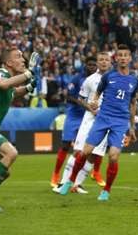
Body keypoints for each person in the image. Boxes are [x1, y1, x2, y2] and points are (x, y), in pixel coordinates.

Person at [59, 45, 138, 201]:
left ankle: (106, 191)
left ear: (130, 59)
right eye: (120, 55)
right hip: (103, 118)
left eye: (126, 55)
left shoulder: (134, 81)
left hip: (120, 121)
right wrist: (94, 102)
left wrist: (132, 128)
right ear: (116, 58)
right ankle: (70, 181)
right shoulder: (108, 77)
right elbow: (97, 92)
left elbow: (133, 103)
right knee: (85, 151)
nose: (123, 58)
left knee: (113, 156)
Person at [0, 49, 39, 214]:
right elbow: (3, 84)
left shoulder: (9, 80)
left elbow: (13, 92)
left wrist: (28, 87)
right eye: (18, 57)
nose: (23, 60)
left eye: (23, 57)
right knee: (11, 153)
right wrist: (28, 74)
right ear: (8, 63)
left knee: (4, 171)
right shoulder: (0, 74)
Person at [53, 52, 112, 194]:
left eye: (106, 60)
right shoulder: (90, 80)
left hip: (105, 120)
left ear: (110, 62)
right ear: (98, 63)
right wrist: (91, 109)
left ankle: (76, 184)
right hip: (89, 119)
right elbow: (81, 98)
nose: (103, 62)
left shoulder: (114, 79)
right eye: (101, 60)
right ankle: (63, 183)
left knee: (94, 154)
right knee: (79, 151)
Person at [50, 56, 97, 187]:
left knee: (88, 148)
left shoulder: (98, 80)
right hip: (74, 115)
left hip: (87, 117)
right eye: (90, 65)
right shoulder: (77, 78)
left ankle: (80, 180)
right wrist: (82, 103)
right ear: (85, 65)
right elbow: (68, 96)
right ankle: (56, 174)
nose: (92, 67)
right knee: (65, 145)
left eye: (94, 65)